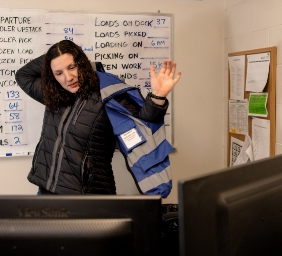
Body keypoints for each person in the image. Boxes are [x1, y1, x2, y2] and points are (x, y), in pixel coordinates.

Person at [15, 40, 181, 195]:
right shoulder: (54, 94)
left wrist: (158, 97)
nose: (68, 78)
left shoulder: (108, 94)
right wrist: (56, 54)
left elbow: (143, 123)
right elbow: (23, 75)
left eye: (72, 67)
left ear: (82, 62)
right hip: (47, 191)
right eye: (59, 72)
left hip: (90, 195)